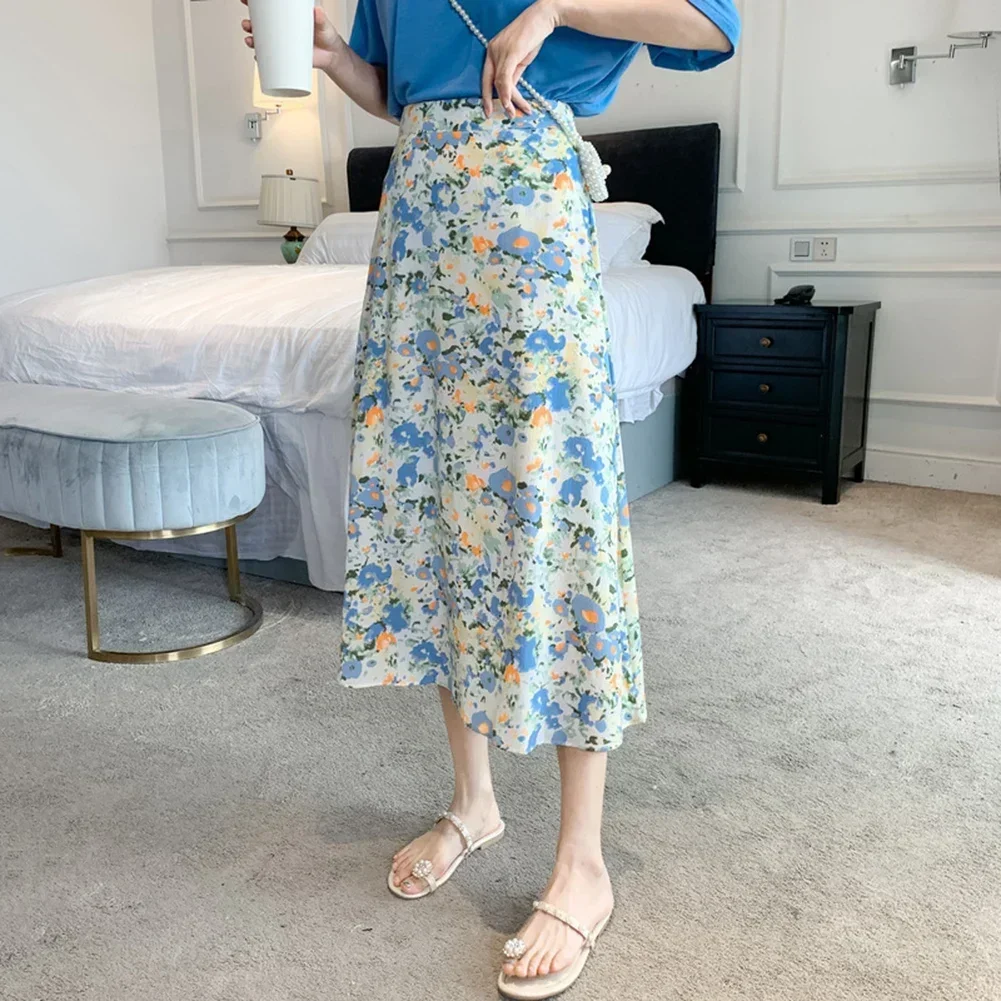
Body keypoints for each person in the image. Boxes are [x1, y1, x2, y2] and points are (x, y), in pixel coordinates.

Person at [241, 2, 739, 996]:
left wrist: (549, 11)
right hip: (415, 223)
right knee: (438, 509)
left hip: (527, 214)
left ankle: (583, 860)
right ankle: (474, 800)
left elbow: (711, 26)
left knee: (550, 514)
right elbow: (402, 93)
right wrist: (335, 57)